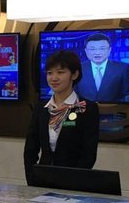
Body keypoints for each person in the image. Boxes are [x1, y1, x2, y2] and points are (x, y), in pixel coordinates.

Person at [23, 50, 99, 184]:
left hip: (73, 181)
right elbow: (30, 148)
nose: (54, 78)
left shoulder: (87, 108)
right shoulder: (42, 108)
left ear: (74, 74)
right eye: (49, 73)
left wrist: (74, 182)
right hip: (42, 179)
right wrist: (32, 179)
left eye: (60, 72)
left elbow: (88, 154)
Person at [77, 33, 129, 103]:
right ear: (86, 51)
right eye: (92, 49)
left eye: (102, 48)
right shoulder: (78, 68)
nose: (97, 53)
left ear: (109, 50)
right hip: (85, 109)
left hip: (114, 109)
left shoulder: (122, 68)